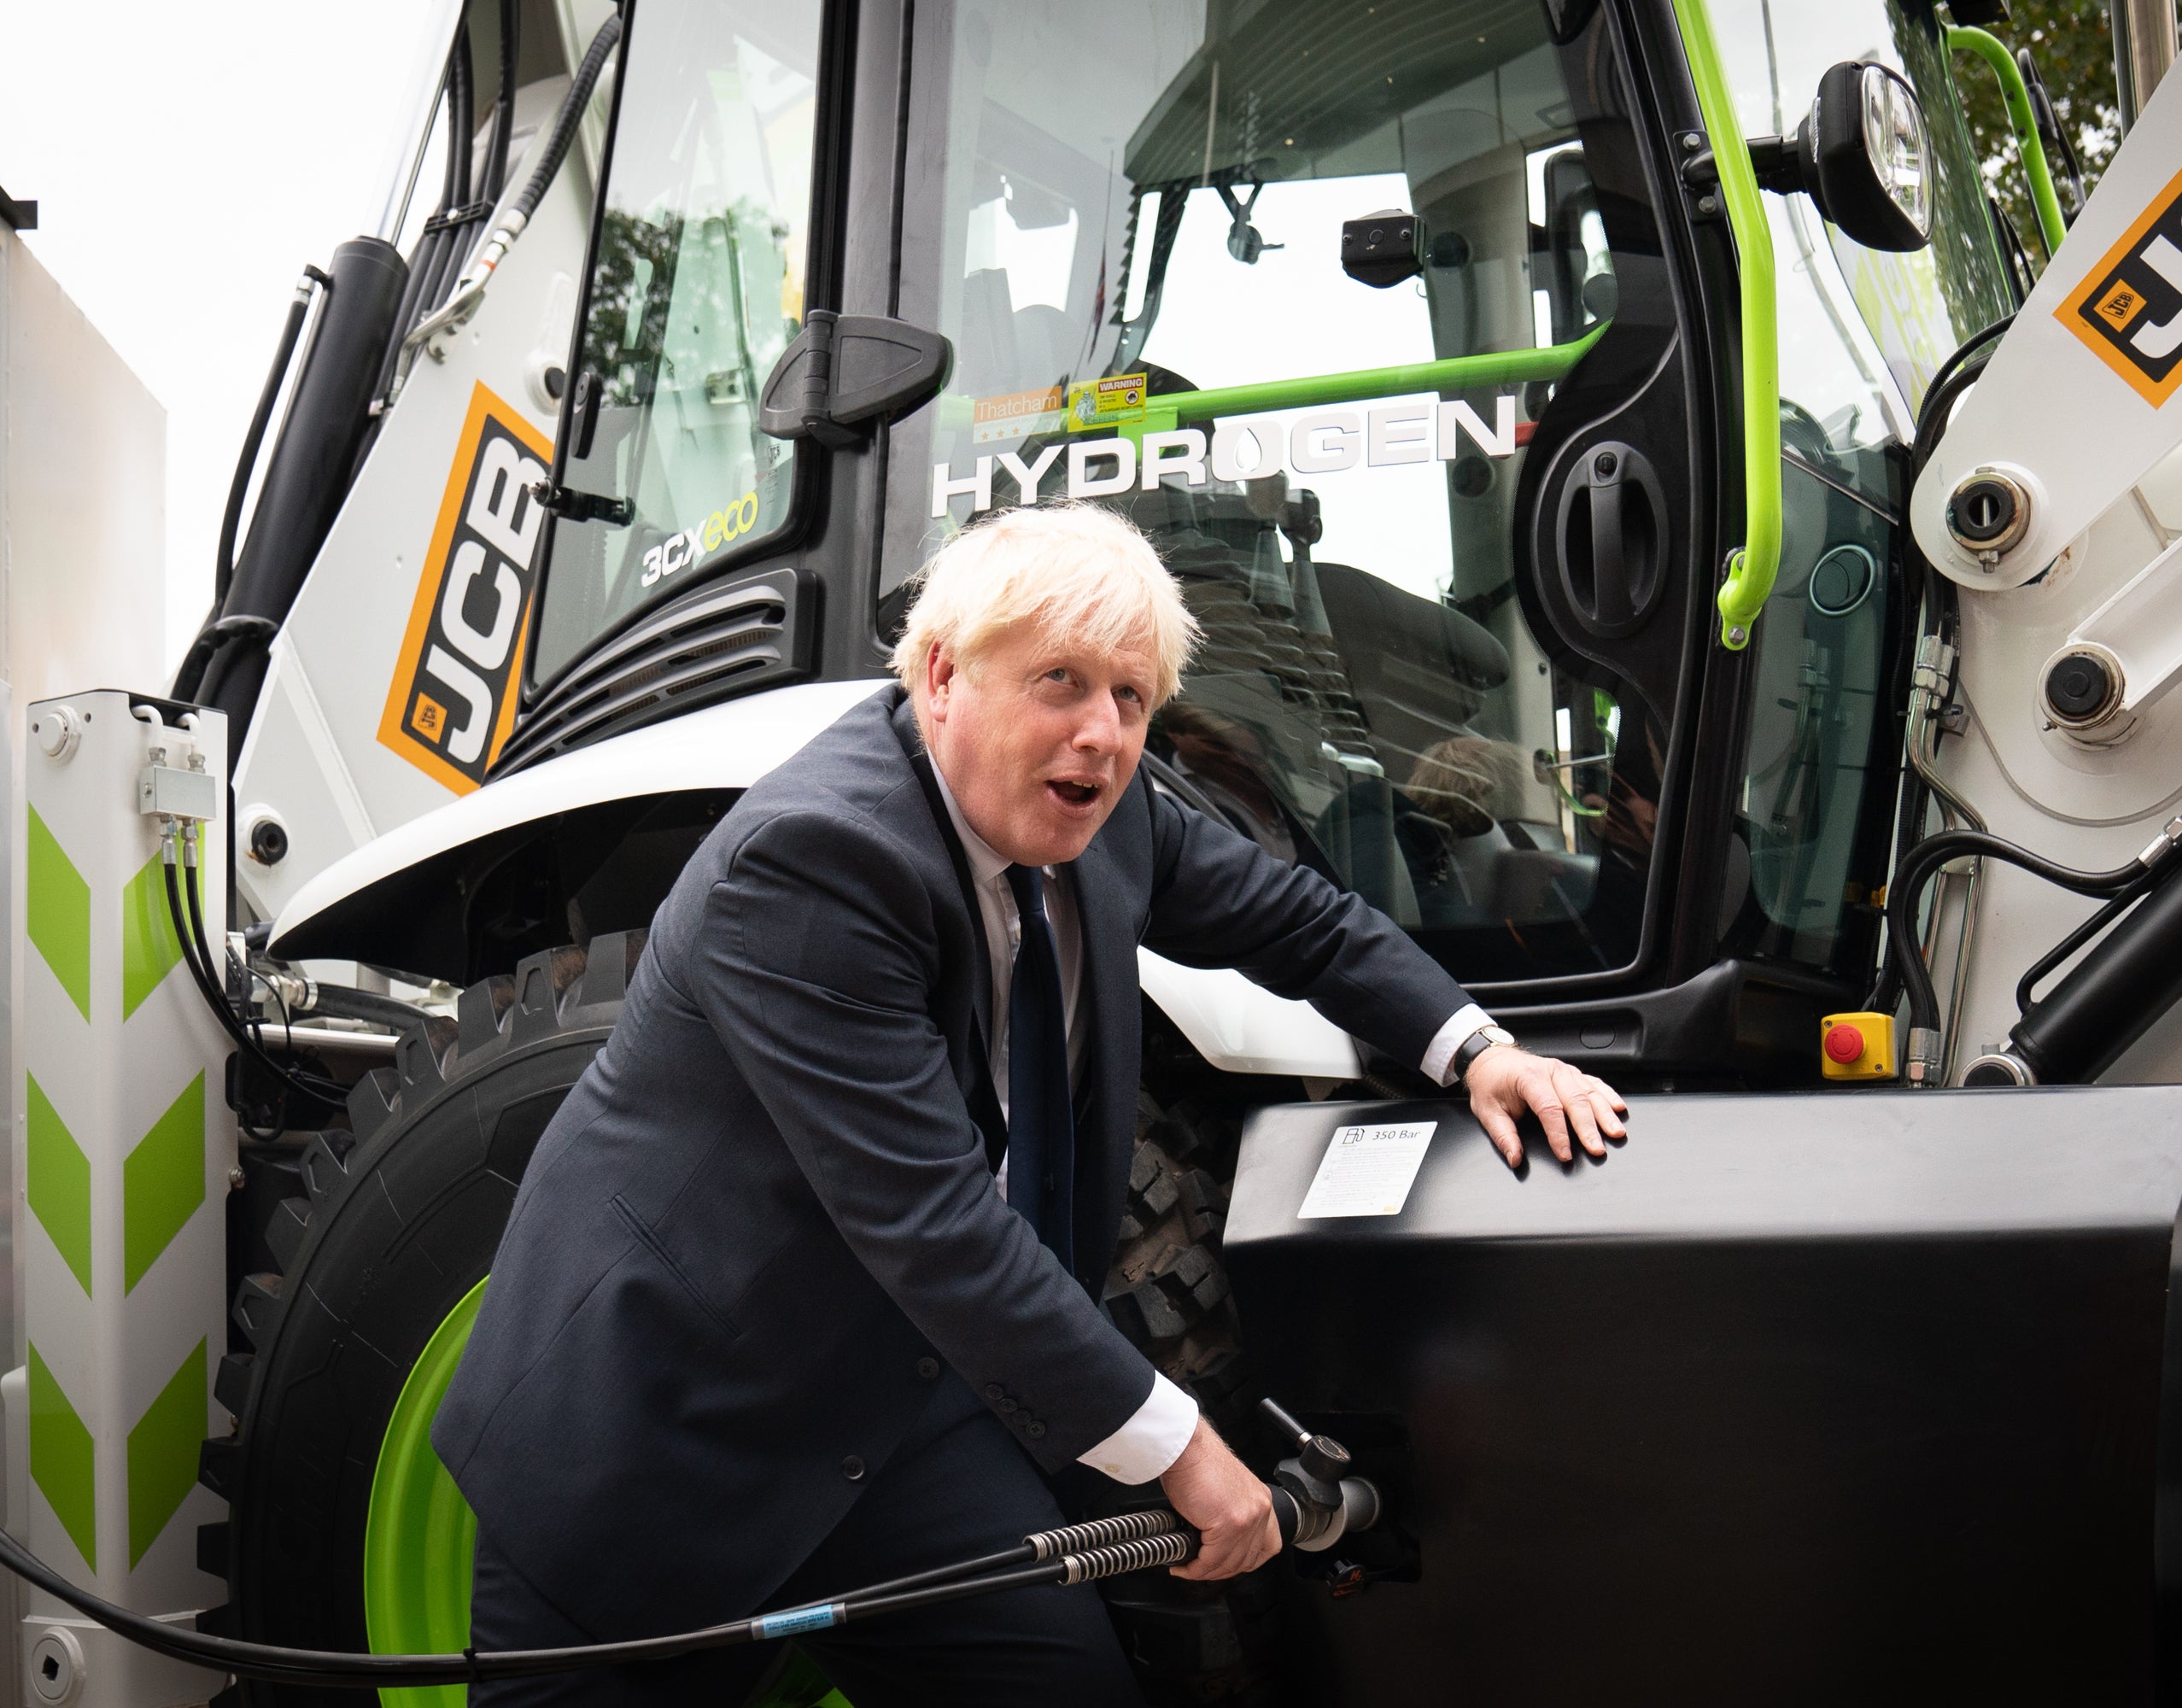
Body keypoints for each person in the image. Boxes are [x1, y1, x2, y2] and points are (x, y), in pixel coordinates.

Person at [433, 501, 1629, 1705]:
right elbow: (934, 1225)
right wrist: (1184, 1451)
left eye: (1130, 694)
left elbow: (1293, 919)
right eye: (1060, 682)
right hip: (665, 1441)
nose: (1103, 734)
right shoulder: (814, 865)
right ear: (944, 674)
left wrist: (1476, 1051)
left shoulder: (1109, 813)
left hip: (889, 1417)